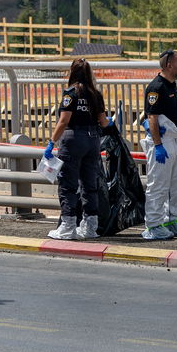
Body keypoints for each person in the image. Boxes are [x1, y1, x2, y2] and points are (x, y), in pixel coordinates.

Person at [45, 58, 112, 241]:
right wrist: (110, 123)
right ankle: (90, 227)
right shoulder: (95, 94)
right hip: (93, 141)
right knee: (90, 184)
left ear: (72, 72)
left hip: (73, 139)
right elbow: (104, 122)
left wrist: (52, 142)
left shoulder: (70, 93)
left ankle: (68, 228)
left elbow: (64, 120)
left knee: (68, 184)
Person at [140, 49, 177, 241]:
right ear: (169, 65)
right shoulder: (156, 87)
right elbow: (152, 117)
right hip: (162, 143)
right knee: (158, 185)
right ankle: (154, 224)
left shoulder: (172, 85)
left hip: (176, 140)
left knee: (176, 184)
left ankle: (172, 220)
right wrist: (157, 145)